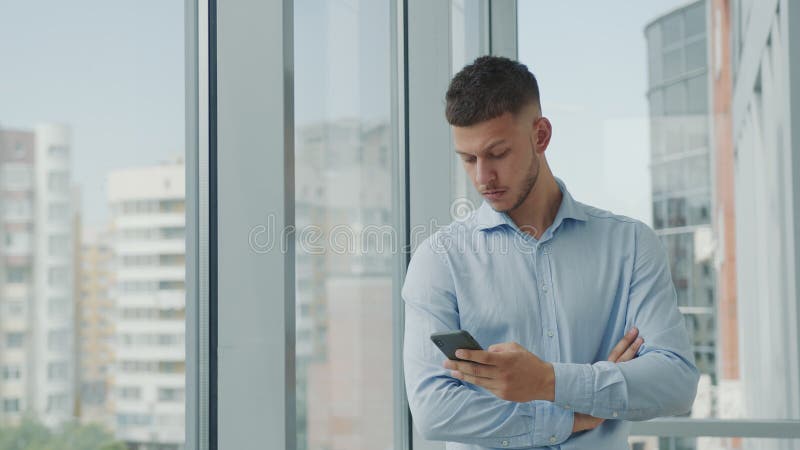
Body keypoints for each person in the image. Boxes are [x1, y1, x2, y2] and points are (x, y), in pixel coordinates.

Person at [402, 56, 699, 449]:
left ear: (540, 135)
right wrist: (576, 415)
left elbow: (675, 382)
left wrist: (547, 381)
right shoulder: (439, 260)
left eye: (497, 153)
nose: (482, 177)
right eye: (469, 159)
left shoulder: (630, 246)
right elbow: (435, 411)